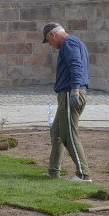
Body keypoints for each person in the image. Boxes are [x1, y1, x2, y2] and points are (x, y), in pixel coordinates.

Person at [42, 22, 92, 182]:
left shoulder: (68, 43)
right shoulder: (75, 42)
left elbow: (76, 66)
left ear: (53, 35)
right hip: (67, 94)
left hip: (70, 94)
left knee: (69, 135)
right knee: (56, 132)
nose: (51, 45)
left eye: (49, 41)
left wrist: (75, 90)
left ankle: (83, 175)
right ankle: (53, 171)